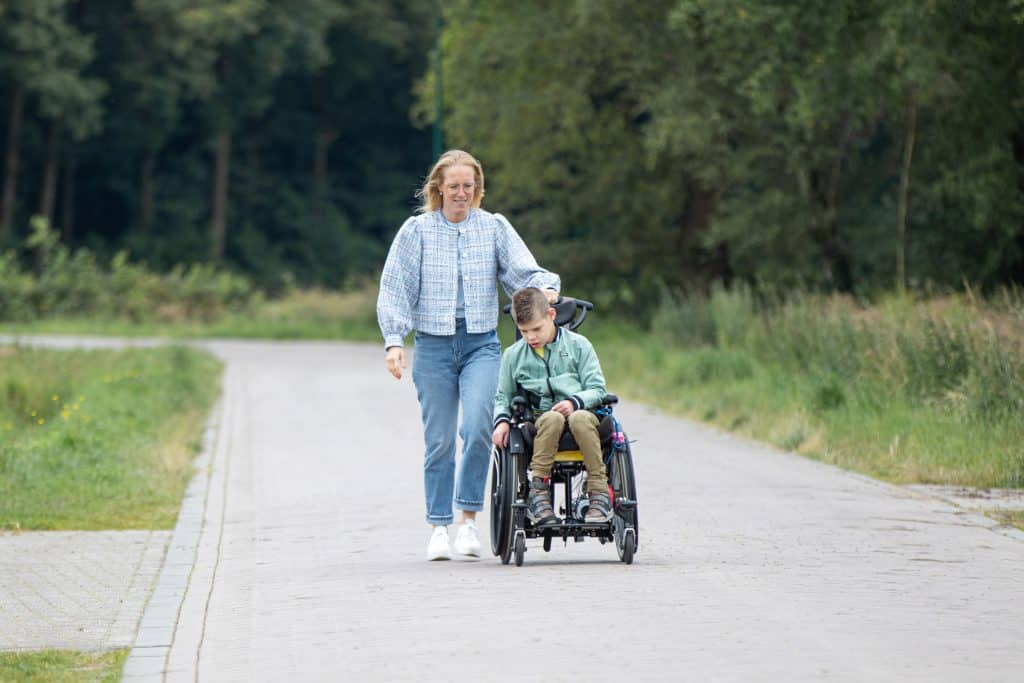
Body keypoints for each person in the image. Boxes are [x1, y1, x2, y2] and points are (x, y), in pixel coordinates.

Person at [378, 150, 560, 561]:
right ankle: (439, 526)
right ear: (438, 187)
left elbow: (524, 271)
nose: (462, 193)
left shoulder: (493, 228)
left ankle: (468, 521)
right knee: (440, 440)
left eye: (469, 186)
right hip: (433, 345)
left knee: (479, 428)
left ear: (477, 189)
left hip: (481, 344)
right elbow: (395, 288)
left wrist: (545, 289)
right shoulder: (417, 231)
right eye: (454, 186)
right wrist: (393, 340)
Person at [491, 287, 612, 525]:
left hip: (583, 414)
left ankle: (599, 492)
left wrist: (574, 402)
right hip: (541, 421)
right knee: (551, 418)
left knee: (579, 418)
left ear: (551, 316)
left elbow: (598, 389)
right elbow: (502, 396)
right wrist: (502, 421)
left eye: (536, 329)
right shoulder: (513, 355)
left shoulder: (579, 345)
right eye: (524, 331)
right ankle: (539, 493)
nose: (531, 337)